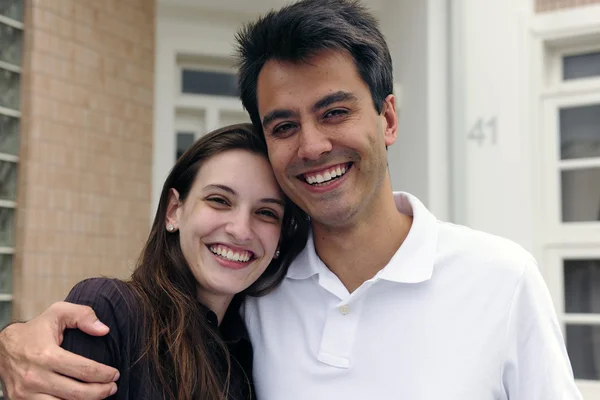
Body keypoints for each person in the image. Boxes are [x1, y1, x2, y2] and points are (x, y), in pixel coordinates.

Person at [0, 0, 583, 399]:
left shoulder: (502, 280)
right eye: (283, 126)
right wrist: (16, 341)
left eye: (334, 112)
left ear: (387, 117)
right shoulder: (259, 292)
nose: (313, 146)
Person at [0, 123, 308, 400]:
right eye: (219, 200)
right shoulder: (108, 311)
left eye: (266, 213)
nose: (241, 230)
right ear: (174, 210)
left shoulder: (253, 347)